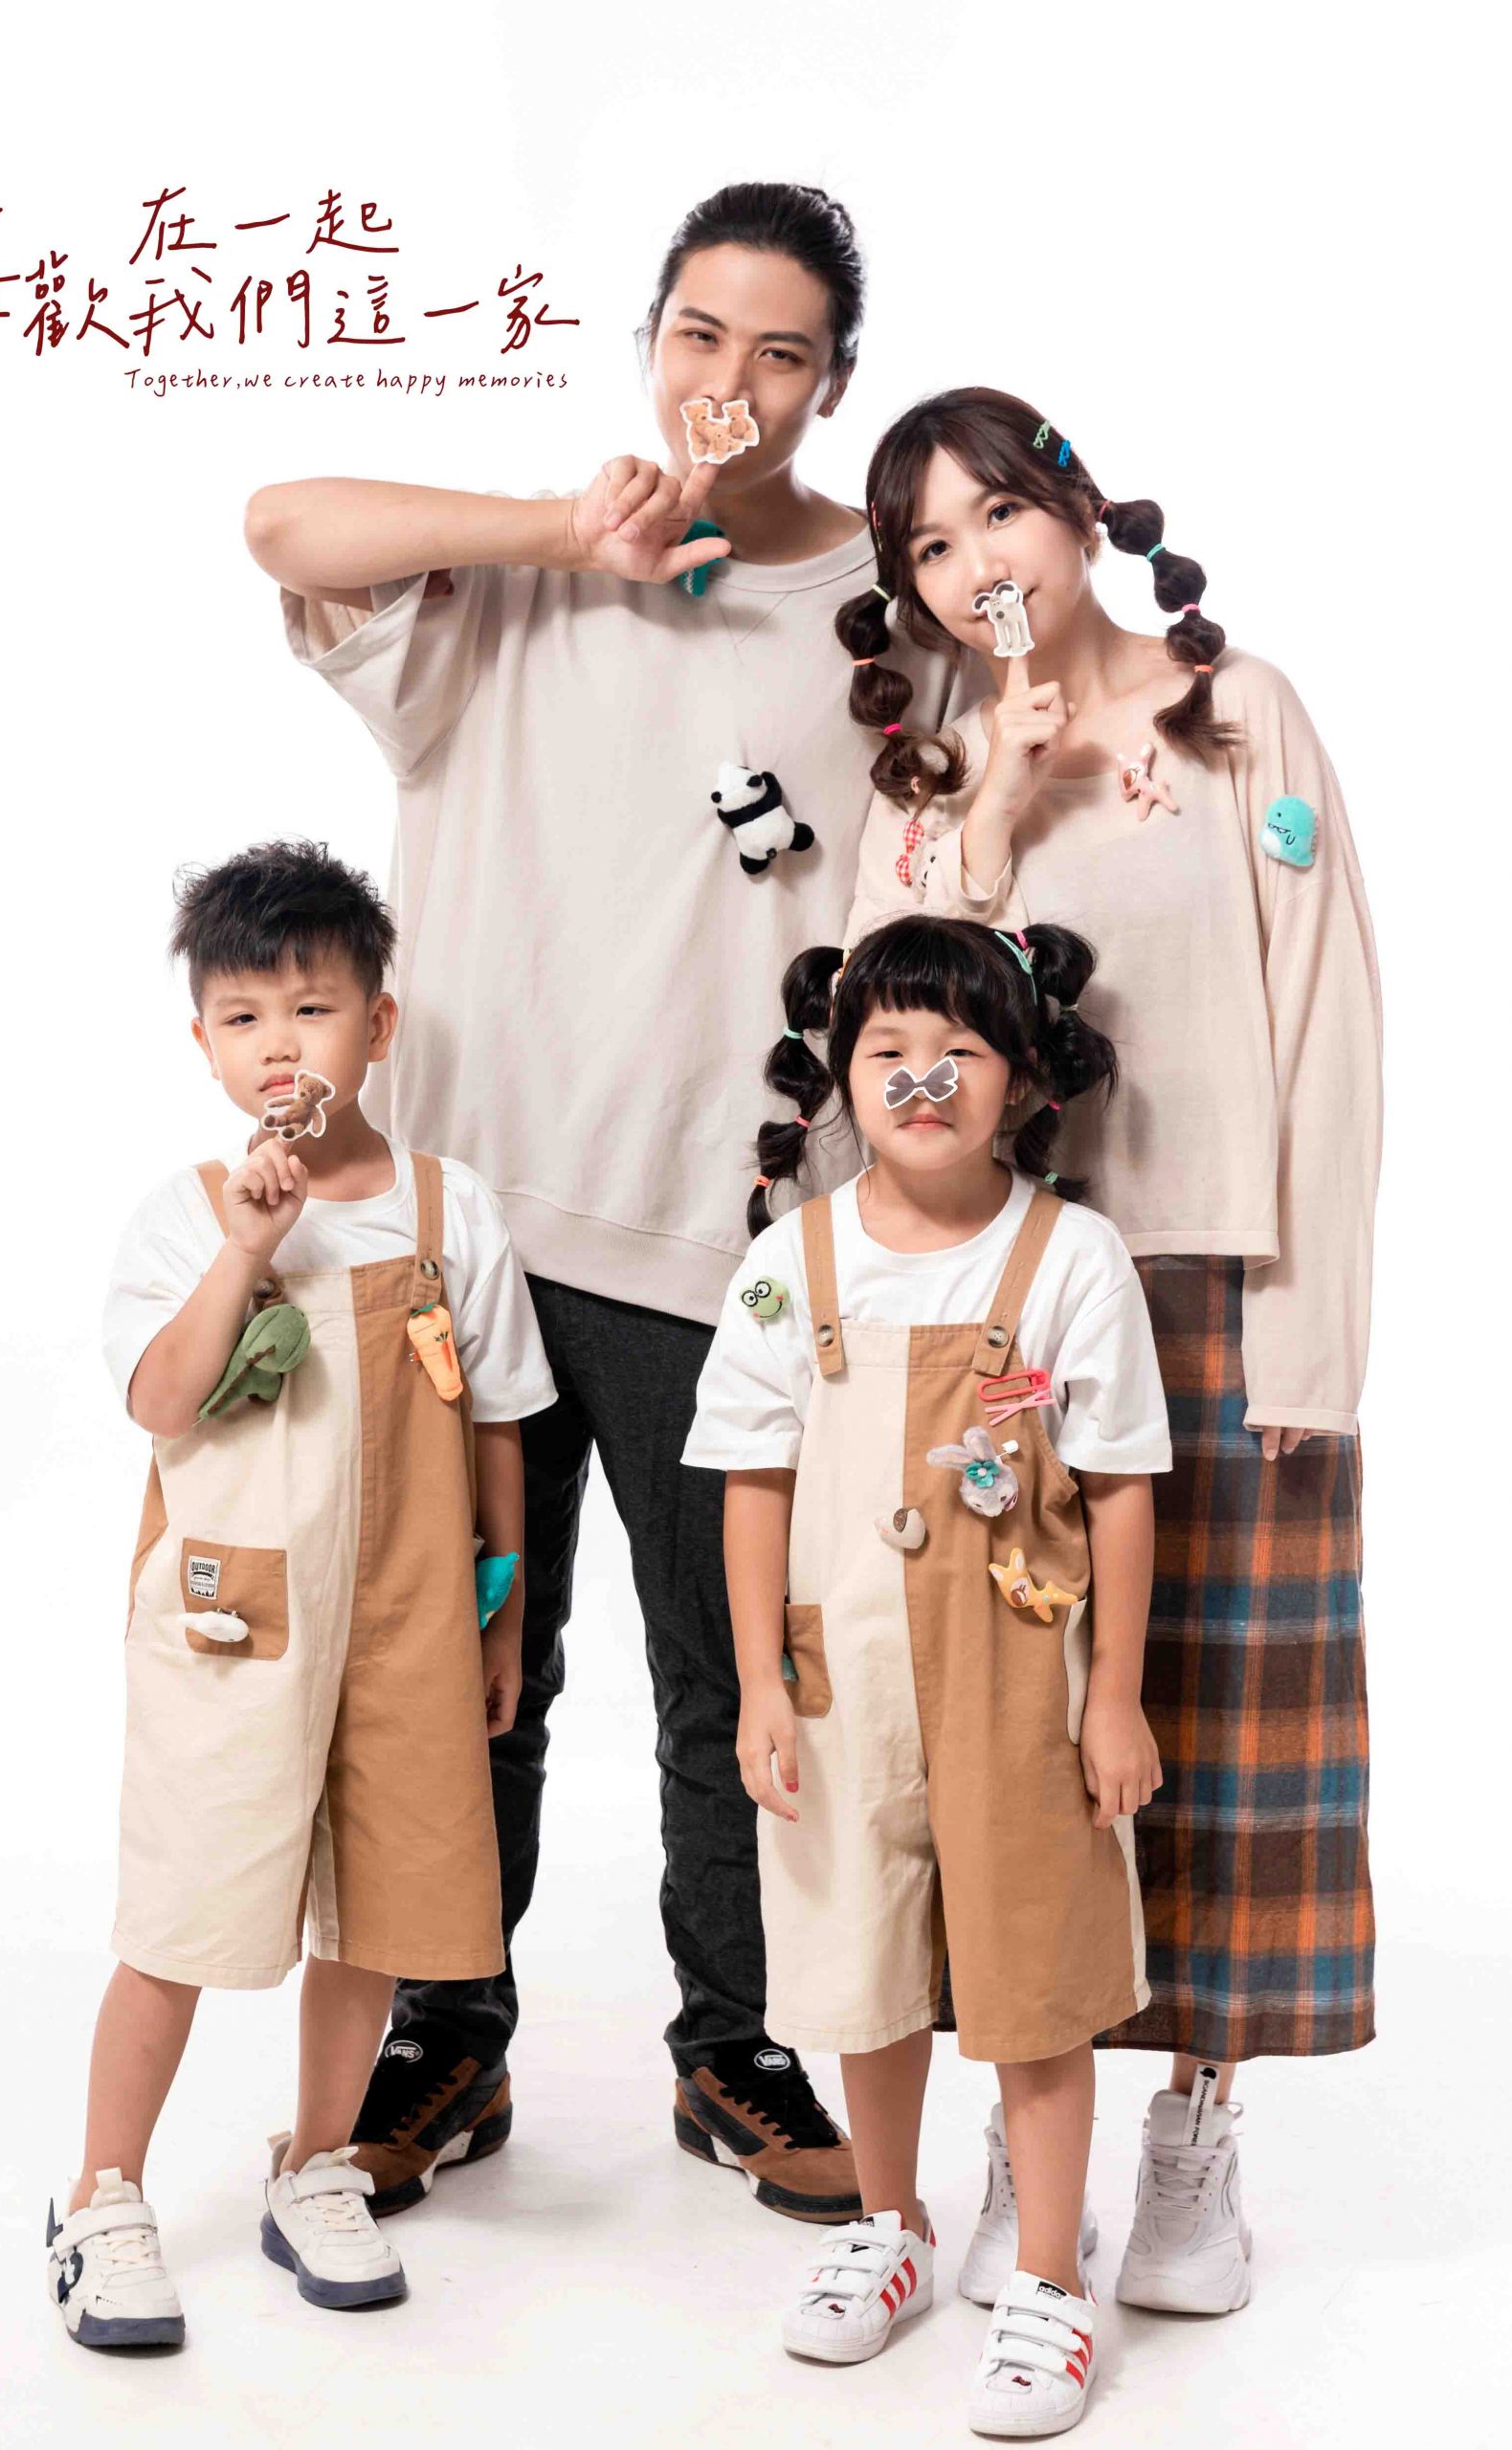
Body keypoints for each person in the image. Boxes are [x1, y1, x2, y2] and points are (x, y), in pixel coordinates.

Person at [244, 183, 968, 2220]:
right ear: (651, 337)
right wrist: (567, 535)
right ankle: (447, 2035)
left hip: (718, 1234)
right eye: (699, 334)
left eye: (781, 351)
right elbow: (280, 521)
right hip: (466, 1232)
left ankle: (733, 2043)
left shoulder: (889, 618)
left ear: (834, 381)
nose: (731, 381)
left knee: (732, 1672)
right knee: (461, 1658)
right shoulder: (519, 571)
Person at [844, 387, 1382, 2313]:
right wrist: (993, 805)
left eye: (997, 513)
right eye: (928, 544)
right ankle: (1033, 2114)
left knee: (1214, 1721)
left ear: (1072, 511)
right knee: (1023, 1732)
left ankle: (1194, 2132)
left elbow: (1328, 1022)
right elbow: (885, 1034)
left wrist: (1308, 1339)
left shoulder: (1238, 716)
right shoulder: (927, 786)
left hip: (1211, 1284)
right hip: (1003, 1295)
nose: (973, 563)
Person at [47, 840, 554, 2348]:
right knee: (187, 1906)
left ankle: (319, 2159)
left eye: (314, 1009)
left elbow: (499, 1424)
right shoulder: (185, 1213)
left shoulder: (448, 1211)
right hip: (235, 1626)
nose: (281, 1044)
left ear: (378, 1027)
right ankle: (102, 2195)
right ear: (203, 1044)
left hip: (409, 1618)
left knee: (375, 1909)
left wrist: (504, 1615)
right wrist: (247, 1250)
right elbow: (162, 1401)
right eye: (245, 1016)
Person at [685, 914, 1170, 2434]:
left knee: (1035, 1971)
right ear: (840, 1076)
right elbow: (752, 1477)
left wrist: (1112, 1696)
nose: (922, 1079)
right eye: (887, 1049)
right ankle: (886, 2227)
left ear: (1023, 1076)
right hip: (840, 1677)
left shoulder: (1071, 1256)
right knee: (858, 1957)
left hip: (1021, 1679)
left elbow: (1121, 1486)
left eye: (959, 1050)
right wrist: (761, 1684)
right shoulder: (793, 1260)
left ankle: (1048, 2278)